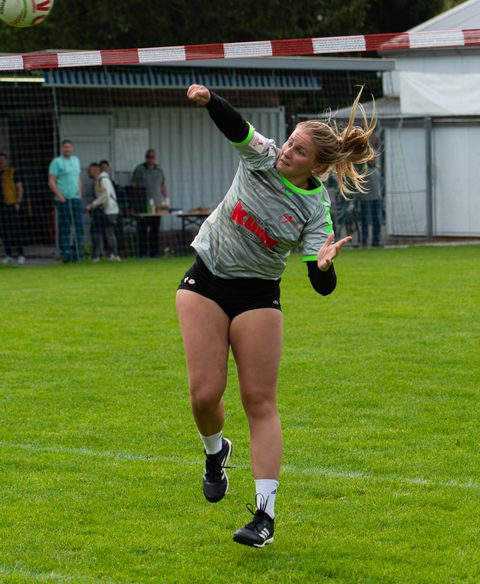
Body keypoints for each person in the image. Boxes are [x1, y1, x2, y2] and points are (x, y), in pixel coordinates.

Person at [179, 84, 374, 548]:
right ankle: (215, 451)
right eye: (289, 142)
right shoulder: (263, 156)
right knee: (205, 395)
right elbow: (237, 127)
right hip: (205, 280)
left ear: (318, 166)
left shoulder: (315, 208)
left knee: (258, 401)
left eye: (299, 150)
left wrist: (324, 268)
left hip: (257, 296)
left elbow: (319, 283)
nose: (287, 150)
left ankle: (264, 515)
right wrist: (210, 101)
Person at [0, 152, 26, 264]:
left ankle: (21, 254)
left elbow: (19, 187)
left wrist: (18, 201)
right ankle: (8, 254)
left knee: (15, 230)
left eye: (2, 159)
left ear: (6, 161)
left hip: (10, 205)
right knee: (3, 231)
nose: (0, 161)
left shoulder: (12, 172)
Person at [48, 139, 83, 262]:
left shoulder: (76, 160)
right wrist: (59, 196)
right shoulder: (56, 162)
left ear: (72, 148)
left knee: (78, 226)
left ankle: (78, 253)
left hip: (75, 198)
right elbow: (51, 181)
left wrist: (80, 193)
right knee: (65, 227)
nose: (67, 149)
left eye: (69, 147)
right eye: (65, 147)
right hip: (64, 199)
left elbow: (78, 177)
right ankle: (66, 253)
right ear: (62, 149)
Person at [132, 148, 168, 258]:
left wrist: (166, 199)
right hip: (143, 206)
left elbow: (163, 185)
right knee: (142, 230)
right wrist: (135, 203)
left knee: (154, 231)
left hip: (157, 206)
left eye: (152, 157)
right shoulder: (140, 169)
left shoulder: (159, 170)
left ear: (155, 158)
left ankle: (155, 253)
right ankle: (142, 253)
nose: (150, 159)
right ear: (145, 158)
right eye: (148, 157)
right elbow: (134, 186)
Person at [85, 162, 120, 262]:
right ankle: (100, 255)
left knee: (108, 233)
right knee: (98, 231)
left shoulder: (104, 180)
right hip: (103, 210)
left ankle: (114, 255)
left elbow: (105, 196)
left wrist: (92, 205)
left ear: (96, 170)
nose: (88, 172)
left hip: (110, 210)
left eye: (89, 170)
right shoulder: (97, 181)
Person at [358, 158, 383, 247]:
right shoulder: (364, 170)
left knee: (377, 221)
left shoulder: (378, 169)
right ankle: (364, 241)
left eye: (374, 159)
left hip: (377, 199)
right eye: (371, 159)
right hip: (366, 199)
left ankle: (376, 241)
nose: (373, 160)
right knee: (365, 221)